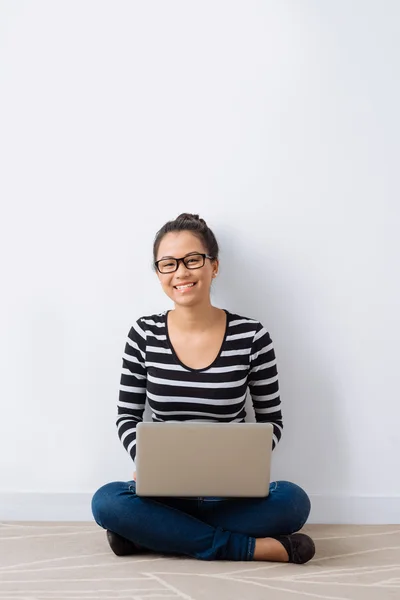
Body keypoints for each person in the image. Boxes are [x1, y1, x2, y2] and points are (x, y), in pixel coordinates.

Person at [91, 213, 315, 563]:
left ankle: (157, 535)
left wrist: (239, 464)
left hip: (231, 494)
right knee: (106, 501)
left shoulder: (252, 336)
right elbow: (126, 416)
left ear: (214, 267)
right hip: (164, 493)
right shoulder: (143, 335)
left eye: (192, 260)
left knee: (294, 501)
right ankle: (250, 548)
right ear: (159, 273)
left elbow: (272, 421)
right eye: (168, 264)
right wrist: (146, 459)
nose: (180, 272)